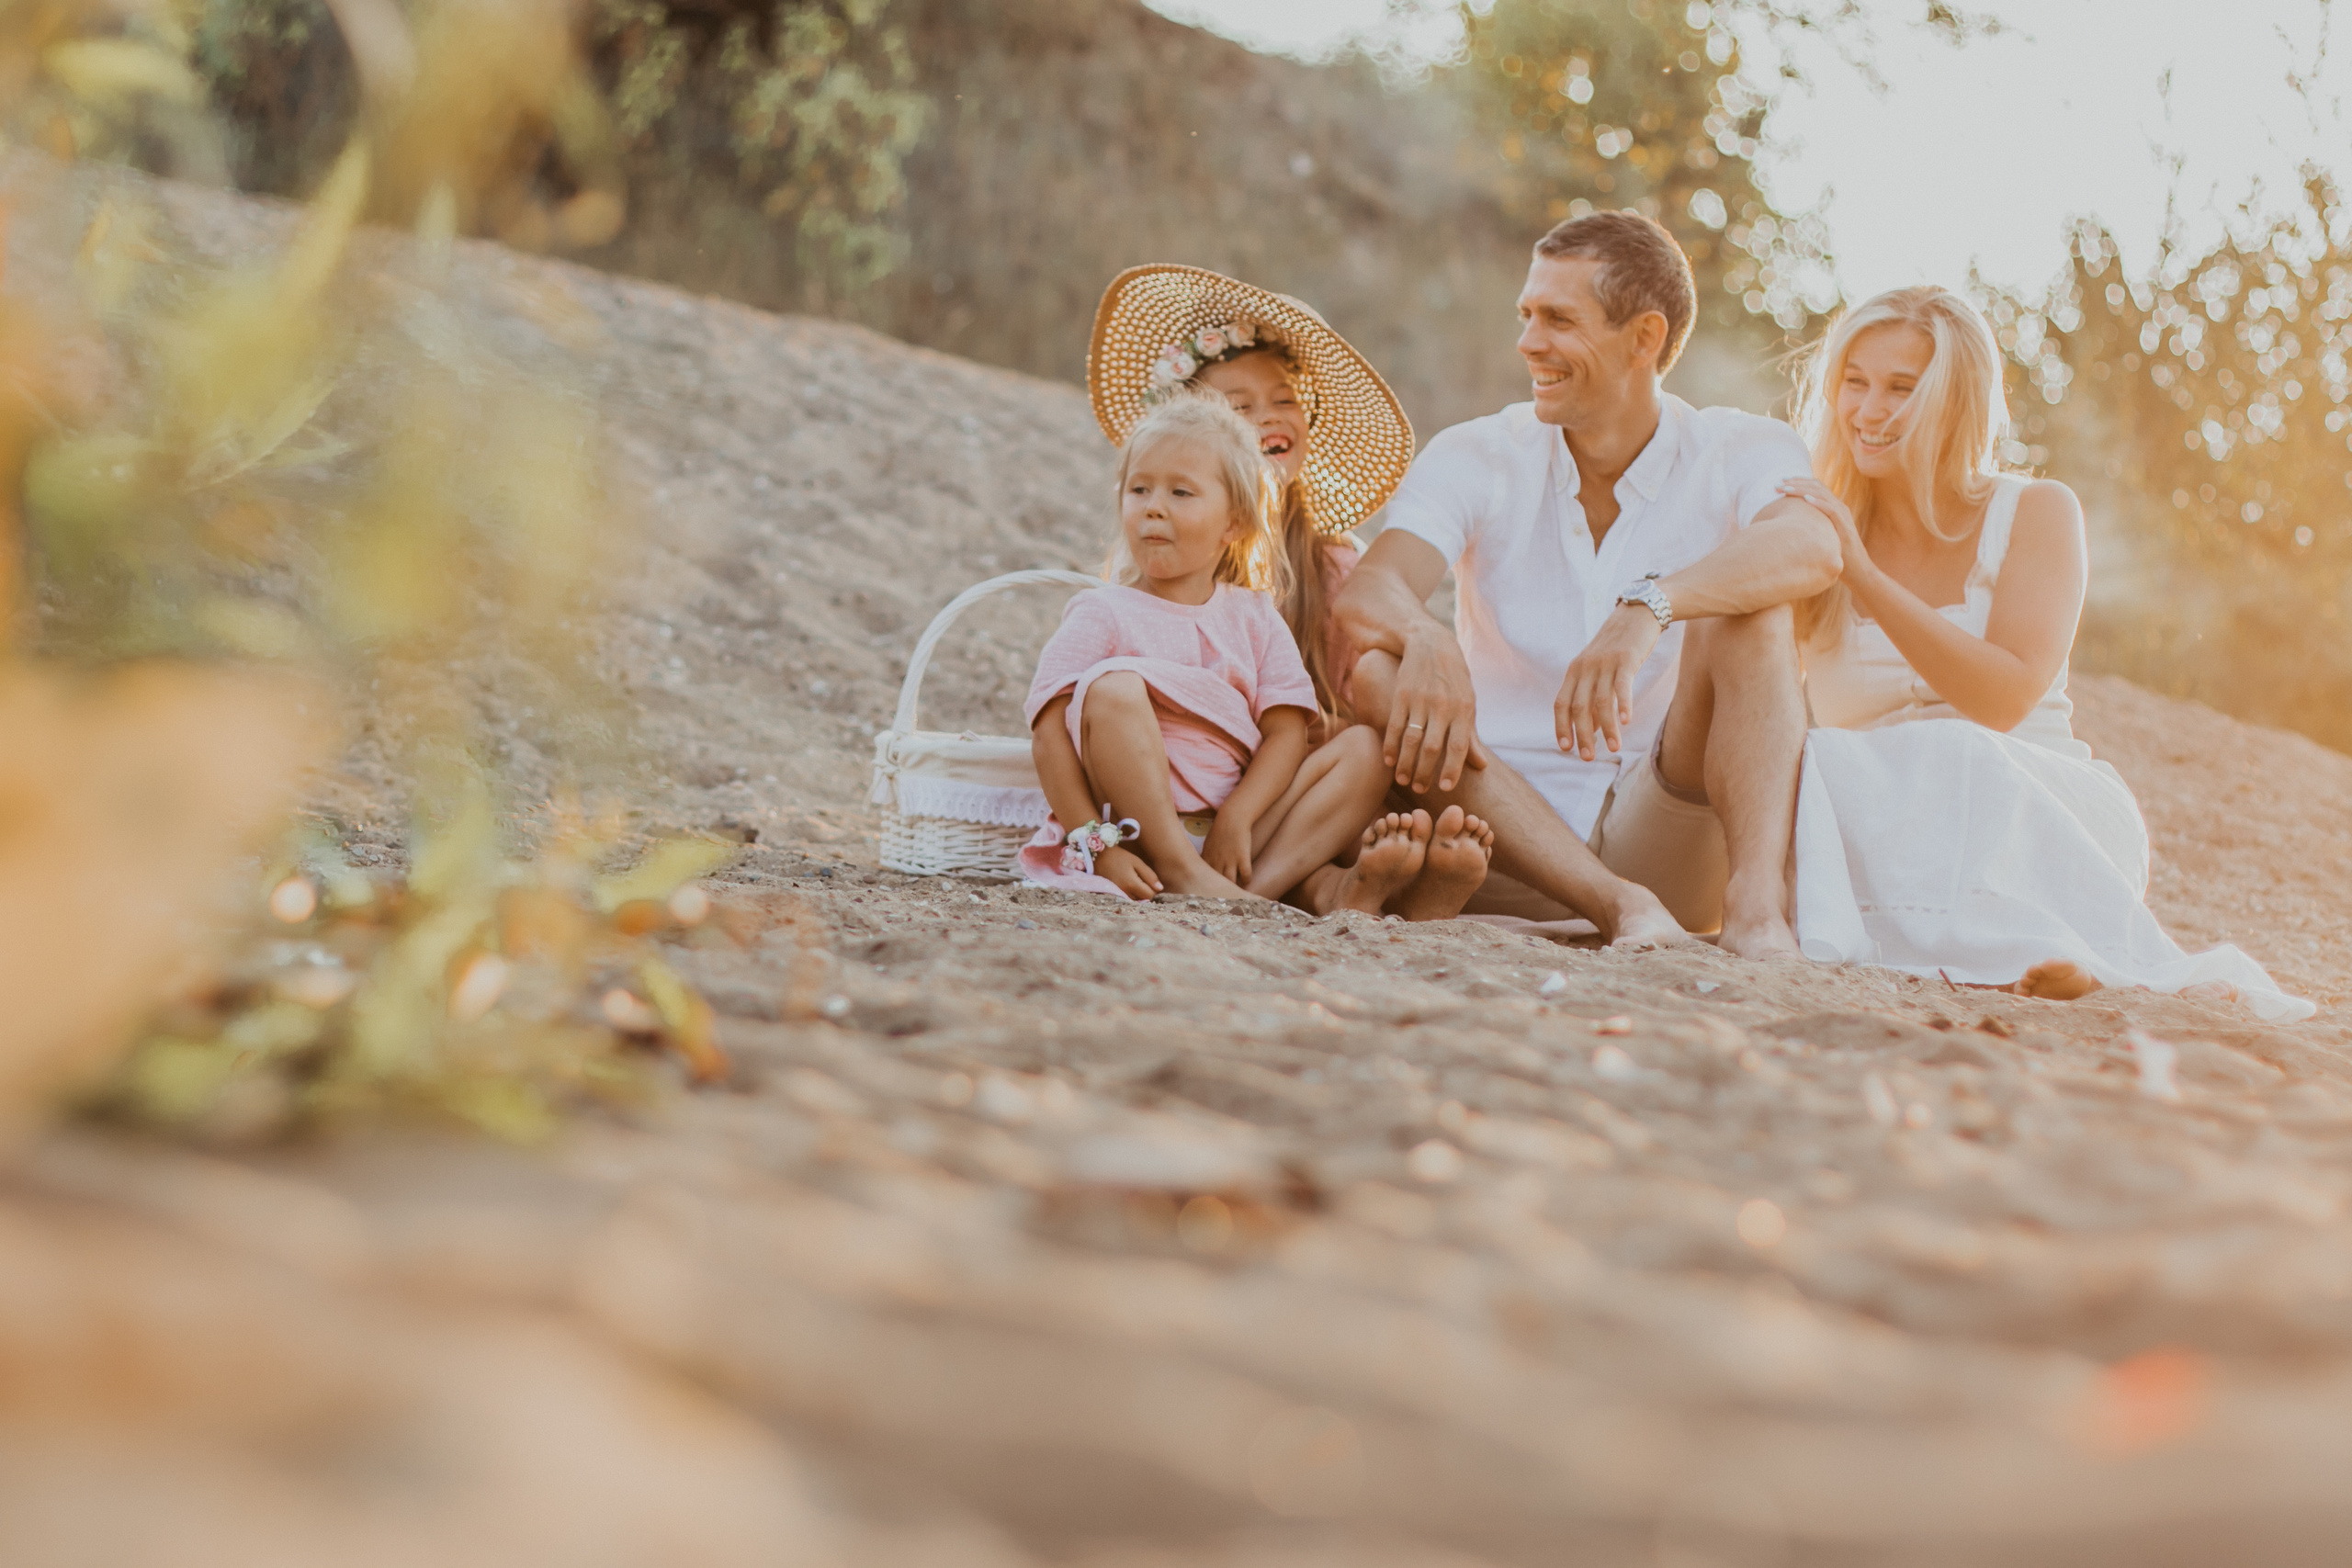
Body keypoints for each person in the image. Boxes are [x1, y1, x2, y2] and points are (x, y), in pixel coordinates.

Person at [1779, 286, 2313, 1021]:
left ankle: (2042, 950)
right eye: (1855, 382)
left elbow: (2002, 699)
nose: (1868, 411)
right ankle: (2017, 958)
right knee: (1832, 771)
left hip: (2034, 797)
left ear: (1955, 401)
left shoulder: (2036, 511)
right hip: (1886, 812)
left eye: (1902, 388)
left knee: (1960, 755)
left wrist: (1864, 577)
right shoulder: (1816, 524)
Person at [1333, 211, 1842, 953]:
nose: (1528, 342)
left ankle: (1758, 914)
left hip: (1665, 829)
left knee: (1753, 613)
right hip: (1493, 835)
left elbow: (1812, 545)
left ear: (1645, 339)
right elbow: (1367, 593)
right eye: (1527, 315)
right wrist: (1423, 632)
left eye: (1559, 319)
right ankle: (1615, 904)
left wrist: (1650, 606)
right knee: (1381, 667)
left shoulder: (1737, 447)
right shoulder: (1480, 452)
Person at [1083, 265, 1495, 918]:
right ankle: (1320, 890)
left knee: (1360, 754)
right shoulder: (1161, 559)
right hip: (1175, 788)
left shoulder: (1331, 562)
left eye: (1282, 400)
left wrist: (1320, 726)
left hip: (1281, 796)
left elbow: (1354, 701)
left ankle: (1270, 893)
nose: (1266, 420)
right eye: (1237, 409)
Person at [1017, 394, 1485, 914]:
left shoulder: (1254, 616)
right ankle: (1181, 871)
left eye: (1181, 492)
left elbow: (1287, 732)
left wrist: (1239, 816)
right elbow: (1049, 735)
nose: (1153, 505)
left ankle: (1249, 896)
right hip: (1140, 838)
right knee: (1113, 688)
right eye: (1139, 489)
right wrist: (1098, 849)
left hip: (1238, 837)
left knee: (1365, 750)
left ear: (1234, 523)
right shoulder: (1102, 611)